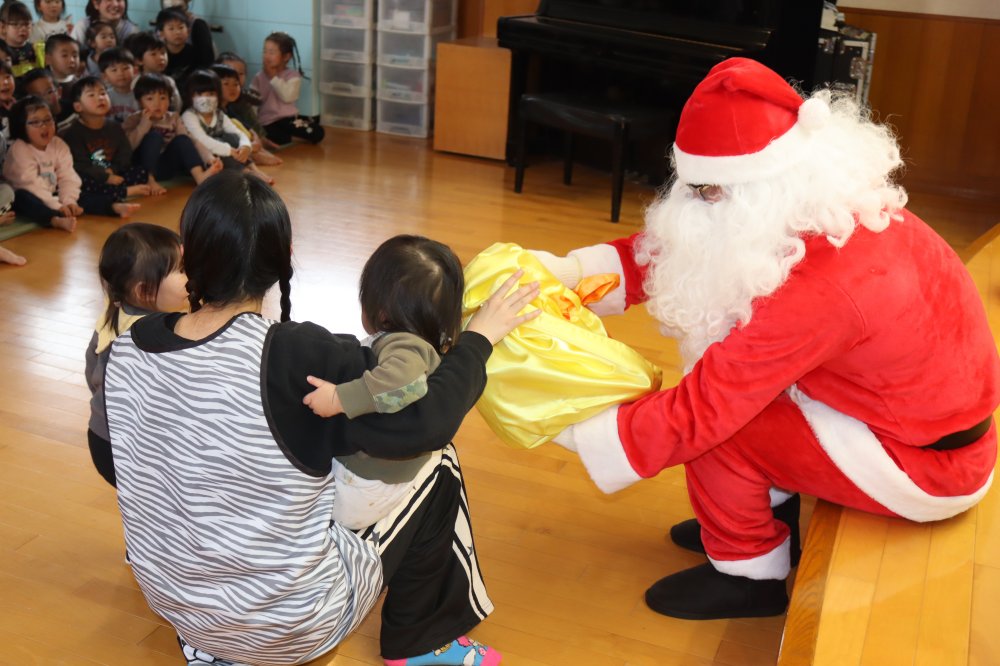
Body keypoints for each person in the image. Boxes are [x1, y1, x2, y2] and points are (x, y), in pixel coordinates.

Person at [533, 57, 1000, 620]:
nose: (689, 202)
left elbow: (704, 410)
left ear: (761, 189)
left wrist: (576, 428)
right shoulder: (829, 213)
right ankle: (755, 511)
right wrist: (568, 274)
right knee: (733, 395)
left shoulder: (824, 285)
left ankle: (748, 575)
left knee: (722, 425)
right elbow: (687, 246)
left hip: (925, 464)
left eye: (707, 191)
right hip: (908, 421)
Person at [101, 170, 538, 666]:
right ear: (285, 258)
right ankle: (419, 645)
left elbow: (130, 465)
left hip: (176, 606)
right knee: (439, 462)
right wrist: (479, 339)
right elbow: (428, 422)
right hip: (286, 629)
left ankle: (218, 645)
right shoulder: (297, 356)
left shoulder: (125, 348)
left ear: (188, 257)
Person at [303, 234, 467, 530]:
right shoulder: (429, 343)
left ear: (380, 313)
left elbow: (406, 383)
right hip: (383, 482)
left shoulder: (405, 345)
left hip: (356, 485)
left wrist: (340, 398)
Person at [85, 222, 187, 487]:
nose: (191, 276)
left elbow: (91, 367)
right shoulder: (152, 336)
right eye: (181, 270)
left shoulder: (114, 312)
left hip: (102, 437)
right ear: (144, 291)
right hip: (128, 448)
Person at [59, 75, 146, 215]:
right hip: (93, 176)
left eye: (103, 93)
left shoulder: (114, 126)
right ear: (78, 106)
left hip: (113, 172)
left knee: (140, 171)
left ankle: (116, 191)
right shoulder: (74, 133)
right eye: (91, 95)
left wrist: (113, 170)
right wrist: (105, 177)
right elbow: (80, 164)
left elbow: (124, 153)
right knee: (83, 184)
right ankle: (124, 192)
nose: (100, 98)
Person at [122, 72, 220, 193]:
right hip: (141, 169)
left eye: (163, 98)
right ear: (140, 102)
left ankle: (200, 176)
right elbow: (127, 148)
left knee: (183, 139)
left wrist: (209, 157)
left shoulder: (173, 117)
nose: (157, 104)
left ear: (169, 100)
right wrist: (143, 125)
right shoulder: (133, 119)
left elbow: (191, 141)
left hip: (165, 166)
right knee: (154, 137)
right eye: (149, 99)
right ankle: (149, 179)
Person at [3, 95, 81, 231]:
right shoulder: (19, 149)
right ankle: (54, 220)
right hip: (28, 195)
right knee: (24, 199)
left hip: (52, 193)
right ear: (21, 126)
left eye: (48, 120)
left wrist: (69, 201)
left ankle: (111, 207)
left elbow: (67, 174)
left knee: (80, 185)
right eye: (35, 122)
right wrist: (57, 206)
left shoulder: (58, 144)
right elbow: (31, 185)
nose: (44, 126)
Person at [180, 68, 271, 181]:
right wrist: (229, 151)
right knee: (219, 141)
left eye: (211, 94)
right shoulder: (189, 116)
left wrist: (245, 146)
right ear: (190, 96)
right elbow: (202, 140)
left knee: (232, 137)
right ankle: (245, 173)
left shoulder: (219, 114)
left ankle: (253, 169)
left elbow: (238, 133)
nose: (205, 98)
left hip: (227, 155)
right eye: (199, 94)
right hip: (205, 160)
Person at [252, 31, 323, 145]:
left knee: (318, 132)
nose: (266, 56)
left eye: (271, 52)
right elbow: (253, 102)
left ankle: (291, 136)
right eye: (264, 51)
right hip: (268, 121)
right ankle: (290, 138)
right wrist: (253, 124)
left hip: (289, 119)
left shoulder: (293, 76)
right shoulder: (259, 77)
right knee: (277, 137)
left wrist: (273, 78)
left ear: (286, 56)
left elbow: (288, 97)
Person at [210, 62, 280, 166]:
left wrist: (255, 137)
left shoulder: (228, 107)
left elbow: (244, 124)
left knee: (238, 123)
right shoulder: (212, 111)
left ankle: (255, 152)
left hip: (241, 143)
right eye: (226, 84)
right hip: (220, 147)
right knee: (232, 127)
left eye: (236, 84)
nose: (232, 88)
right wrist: (249, 146)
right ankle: (253, 155)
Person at [123, 30, 179, 110]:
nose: (161, 58)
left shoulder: (169, 81)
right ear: (139, 60)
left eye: (163, 53)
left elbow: (177, 105)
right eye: (153, 54)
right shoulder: (136, 82)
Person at [155, 6, 210, 84]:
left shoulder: (195, 54)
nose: (177, 32)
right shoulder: (158, 55)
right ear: (161, 33)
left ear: (188, 31)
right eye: (171, 28)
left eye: (181, 27)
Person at [0, 1, 42, 77]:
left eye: (26, 24)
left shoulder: (37, 49)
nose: (23, 29)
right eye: (15, 24)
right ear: (3, 27)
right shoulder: (2, 52)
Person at [71, 0, 138, 47]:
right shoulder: (83, 26)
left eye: (119, 0)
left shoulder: (132, 31)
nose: (115, 4)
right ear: (96, 4)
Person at [96, 45, 136, 122]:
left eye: (125, 68)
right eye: (114, 70)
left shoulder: (141, 96)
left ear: (134, 71)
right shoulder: (104, 97)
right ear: (104, 76)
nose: (120, 73)